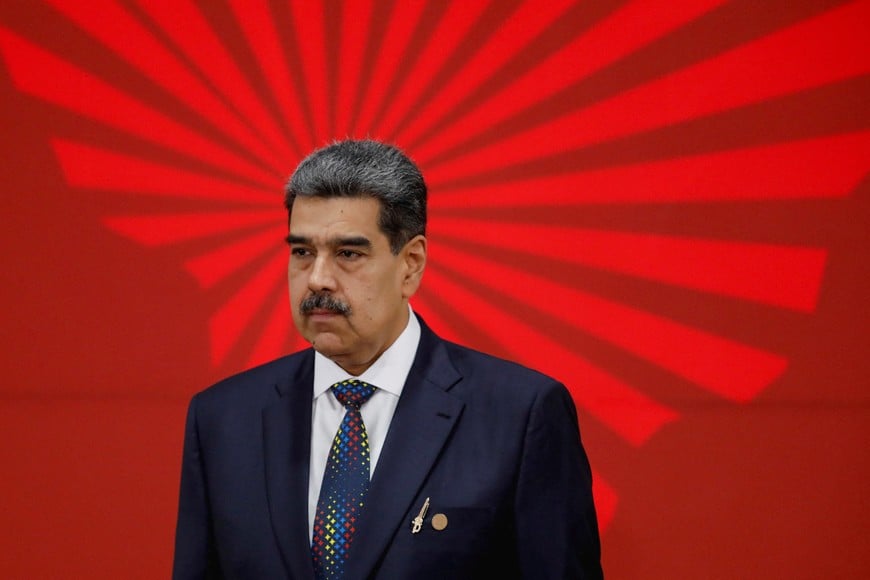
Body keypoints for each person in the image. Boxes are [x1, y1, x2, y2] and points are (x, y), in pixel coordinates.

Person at [173, 140, 603, 579]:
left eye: (348, 254)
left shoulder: (519, 415)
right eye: (302, 252)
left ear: (411, 264)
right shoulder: (223, 419)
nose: (318, 278)